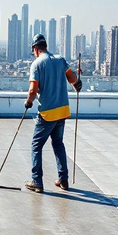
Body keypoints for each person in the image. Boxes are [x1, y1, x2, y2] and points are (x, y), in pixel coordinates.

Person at [24, 34, 82, 193]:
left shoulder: (36, 64)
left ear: (35, 49)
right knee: (58, 143)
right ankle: (63, 180)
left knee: (36, 145)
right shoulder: (60, 59)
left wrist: (28, 101)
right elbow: (72, 78)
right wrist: (77, 83)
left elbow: (32, 90)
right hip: (62, 111)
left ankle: (37, 181)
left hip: (47, 114)